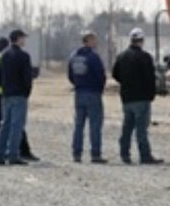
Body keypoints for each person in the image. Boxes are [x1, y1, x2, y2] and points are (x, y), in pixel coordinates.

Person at [111, 28, 162, 165]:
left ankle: (124, 154)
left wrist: (126, 83)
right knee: (141, 129)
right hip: (142, 97)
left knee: (127, 127)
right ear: (142, 40)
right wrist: (151, 94)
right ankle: (145, 155)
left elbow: (115, 74)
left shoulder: (121, 56)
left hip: (127, 97)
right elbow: (150, 78)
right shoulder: (145, 57)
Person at [0, 37, 37, 162]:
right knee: (17, 125)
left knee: (4, 124)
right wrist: (26, 92)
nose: (24, 40)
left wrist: (4, 88)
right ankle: (13, 155)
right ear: (18, 39)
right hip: (19, 94)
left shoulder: (2, 55)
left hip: (5, 94)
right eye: (23, 38)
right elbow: (27, 77)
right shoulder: (23, 56)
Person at [66, 30, 107, 163]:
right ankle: (95, 154)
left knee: (79, 124)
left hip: (79, 93)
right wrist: (99, 89)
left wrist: (78, 84)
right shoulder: (93, 56)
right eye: (94, 40)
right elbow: (101, 75)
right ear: (89, 40)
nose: (96, 42)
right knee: (95, 125)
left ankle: (76, 153)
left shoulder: (73, 56)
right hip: (93, 93)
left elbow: (70, 75)